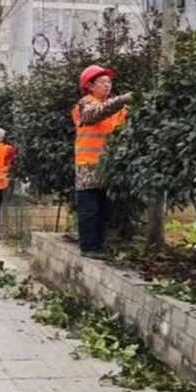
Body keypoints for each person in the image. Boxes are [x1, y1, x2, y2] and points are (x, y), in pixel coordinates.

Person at [72, 65, 132, 259]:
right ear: (90, 86)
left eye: (109, 82)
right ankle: (88, 246)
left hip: (109, 165)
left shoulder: (116, 108)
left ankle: (99, 246)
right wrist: (121, 100)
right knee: (90, 208)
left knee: (105, 208)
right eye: (102, 82)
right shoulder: (85, 103)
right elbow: (94, 115)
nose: (107, 86)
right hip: (88, 165)